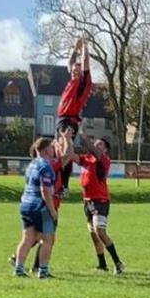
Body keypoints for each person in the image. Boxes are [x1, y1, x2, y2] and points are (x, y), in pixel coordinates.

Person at [76, 126, 124, 275]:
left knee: (100, 231)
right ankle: (102, 264)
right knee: (93, 234)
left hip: (100, 201)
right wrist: (65, 138)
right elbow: (71, 156)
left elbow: (92, 149)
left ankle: (118, 262)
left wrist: (83, 136)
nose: (97, 145)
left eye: (100, 144)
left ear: (105, 150)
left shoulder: (104, 160)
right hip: (87, 201)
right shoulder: (86, 159)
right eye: (96, 143)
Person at [12, 138, 58, 278]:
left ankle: (19, 269)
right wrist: (52, 210)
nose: (53, 149)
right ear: (45, 150)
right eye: (51, 147)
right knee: (48, 239)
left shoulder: (31, 164)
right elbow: (45, 190)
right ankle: (42, 271)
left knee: (27, 239)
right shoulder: (45, 166)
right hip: (39, 206)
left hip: (25, 204)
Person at [57, 38, 92, 197]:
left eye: (77, 70)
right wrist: (74, 48)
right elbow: (70, 62)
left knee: (67, 150)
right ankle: (59, 182)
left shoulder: (83, 83)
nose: (74, 71)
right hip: (61, 119)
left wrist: (84, 47)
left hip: (70, 120)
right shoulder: (71, 81)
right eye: (73, 70)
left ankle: (64, 186)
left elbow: (84, 63)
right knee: (59, 151)